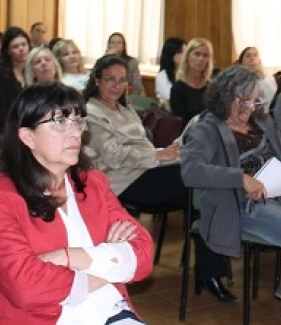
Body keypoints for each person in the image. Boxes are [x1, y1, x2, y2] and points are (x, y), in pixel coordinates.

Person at [0, 82, 154, 325]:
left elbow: (143, 256)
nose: (75, 133)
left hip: (111, 315)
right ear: (27, 136)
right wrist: (110, 264)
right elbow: (26, 288)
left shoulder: (93, 183)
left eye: (78, 122)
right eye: (59, 122)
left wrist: (69, 257)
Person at [180, 64, 281, 325]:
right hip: (242, 204)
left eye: (255, 100)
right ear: (226, 96)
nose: (251, 107)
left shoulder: (264, 121)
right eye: (244, 100)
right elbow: (190, 171)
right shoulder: (208, 128)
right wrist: (239, 178)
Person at [83, 55, 235, 302]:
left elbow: (142, 147)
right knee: (205, 183)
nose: (116, 86)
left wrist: (170, 152)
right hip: (124, 183)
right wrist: (159, 155)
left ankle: (210, 270)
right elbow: (115, 156)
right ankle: (211, 271)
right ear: (97, 80)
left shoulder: (124, 107)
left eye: (122, 80)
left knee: (205, 188)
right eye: (110, 79)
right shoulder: (91, 112)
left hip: (148, 170)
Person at [0, 26, 31, 153]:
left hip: (29, 126)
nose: (21, 49)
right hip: (3, 126)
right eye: (15, 46)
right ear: (8, 51)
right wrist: (8, 123)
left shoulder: (33, 69)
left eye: (23, 44)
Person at [169, 37, 215, 125]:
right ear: (187, 57)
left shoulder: (211, 87)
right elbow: (180, 123)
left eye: (205, 55)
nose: (201, 59)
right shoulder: (178, 89)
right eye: (197, 54)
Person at [154, 37, 185, 108]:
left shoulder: (187, 73)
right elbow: (173, 98)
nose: (185, 56)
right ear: (171, 54)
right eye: (181, 52)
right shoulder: (162, 76)